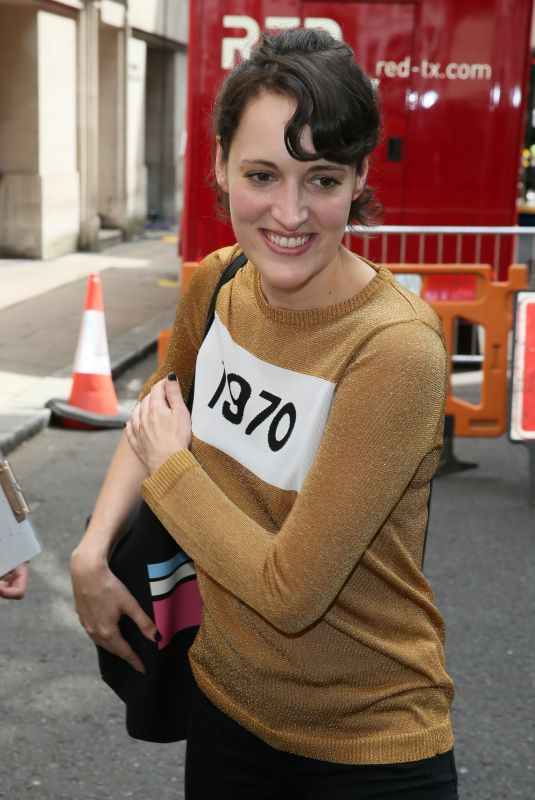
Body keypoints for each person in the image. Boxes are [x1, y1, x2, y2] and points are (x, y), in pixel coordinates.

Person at [71, 28, 458, 799]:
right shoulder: (219, 283)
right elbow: (160, 409)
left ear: (356, 180)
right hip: (224, 708)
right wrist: (90, 551)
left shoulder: (392, 348)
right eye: (261, 174)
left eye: (320, 178)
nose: (288, 212)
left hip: (366, 748)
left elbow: (289, 592)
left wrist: (174, 469)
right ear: (218, 165)